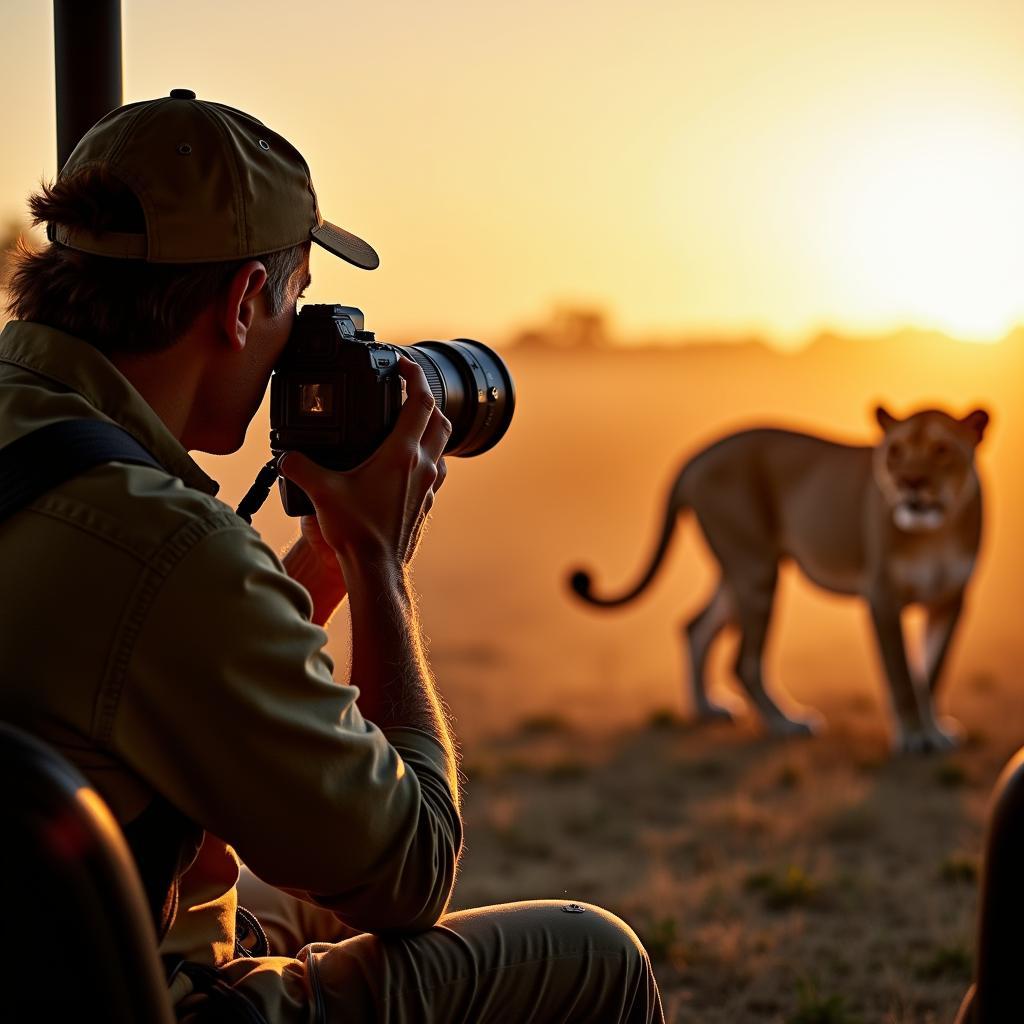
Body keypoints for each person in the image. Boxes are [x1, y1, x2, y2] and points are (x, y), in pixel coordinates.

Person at [0, 90, 663, 1023]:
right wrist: (381, 570)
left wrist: (324, 553)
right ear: (241, 304)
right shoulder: (168, 548)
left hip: (42, 944)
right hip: (131, 989)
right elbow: (408, 870)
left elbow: (180, 664)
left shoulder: (57, 462)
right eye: (298, 302)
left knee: (287, 898)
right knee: (594, 957)